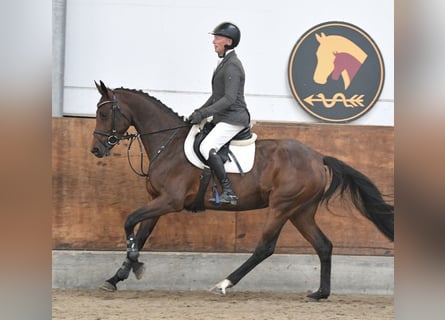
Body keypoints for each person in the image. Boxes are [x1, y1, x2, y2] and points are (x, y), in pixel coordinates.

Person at [188, 22, 251, 205]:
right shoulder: (223, 62)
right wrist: (199, 112)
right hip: (224, 117)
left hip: (234, 118)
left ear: (228, 41)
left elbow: (229, 99)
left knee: (206, 146)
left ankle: (228, 190)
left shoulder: (232, 65)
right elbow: (216, 96)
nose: (213, 41)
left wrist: (205, 113)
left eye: (217, 38)